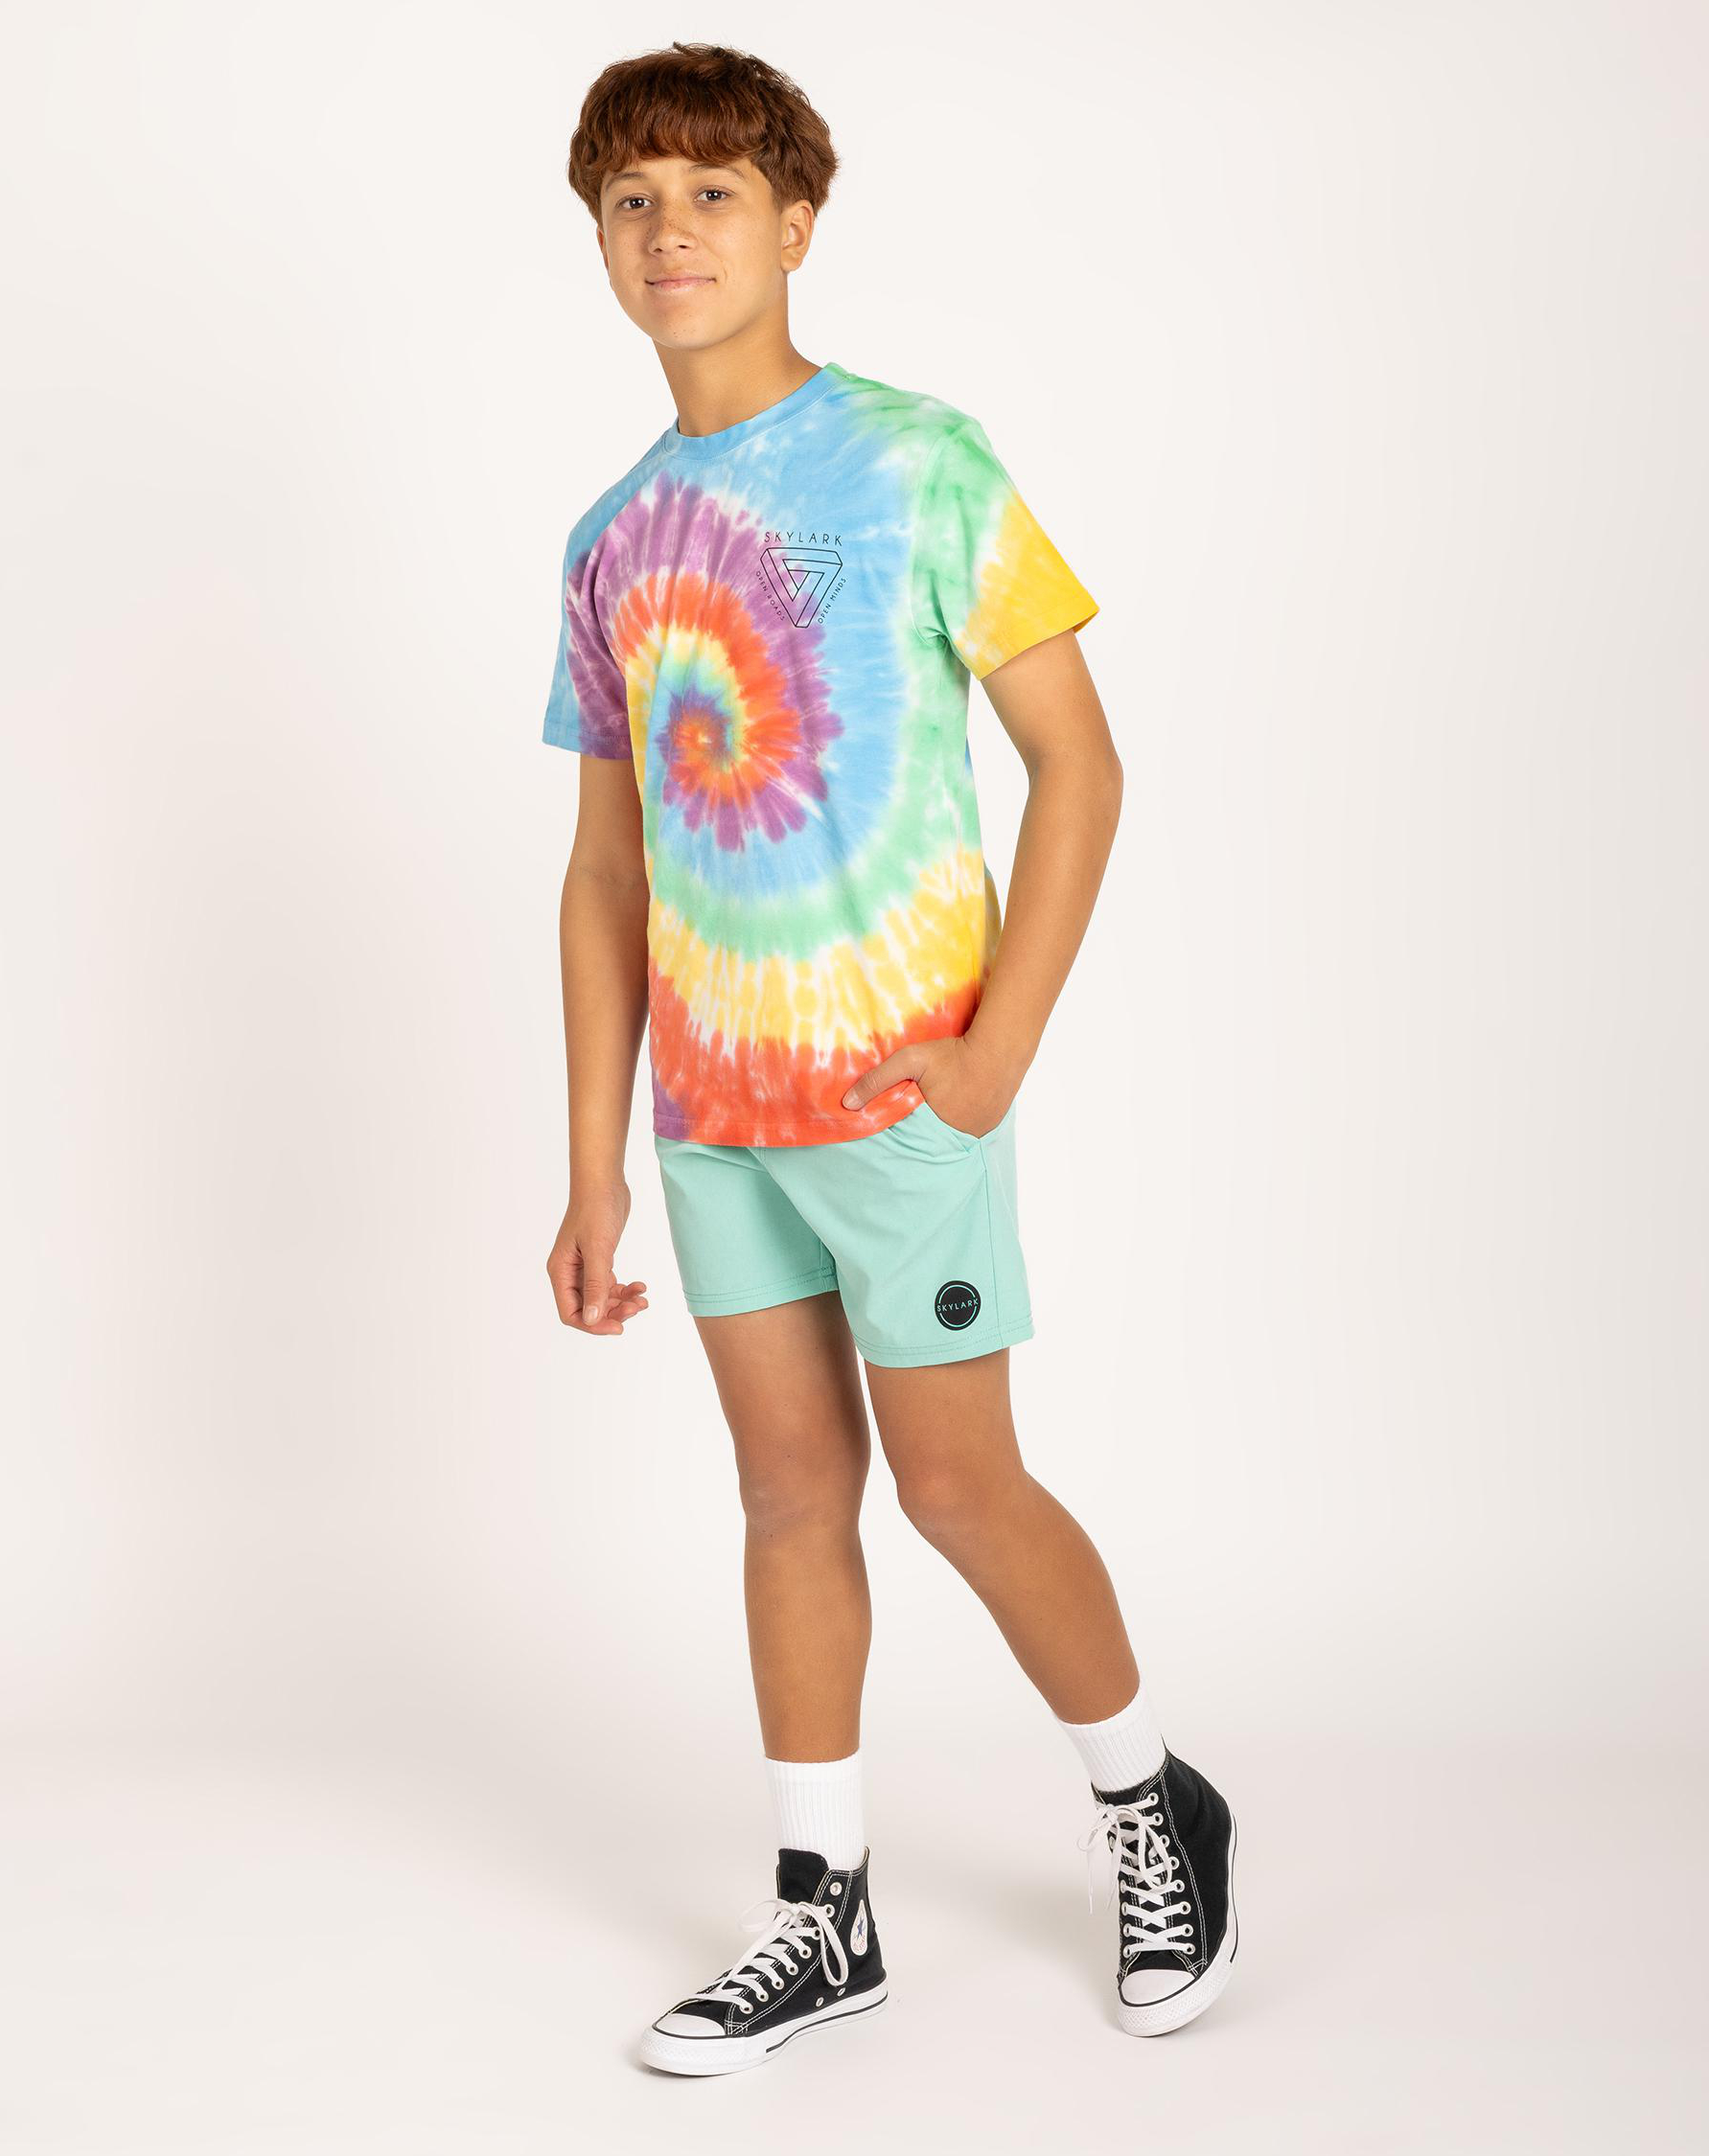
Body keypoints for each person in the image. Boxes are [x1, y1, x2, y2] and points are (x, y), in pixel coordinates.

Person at [541, 41, 1237, 2075]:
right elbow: (604, 871)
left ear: (797, 224)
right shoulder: (611, 535)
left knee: (955, 1483)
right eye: (633, 202)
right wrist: (594, 1160)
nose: (671, 231)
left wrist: (995, 1049)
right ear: (599, 242)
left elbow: (1078, 762)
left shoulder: (920, 461)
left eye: (713, 194)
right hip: (713, 1120)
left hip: (896, 1092)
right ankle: (820, 1908)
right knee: (786, 1497)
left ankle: (1152, 1803)